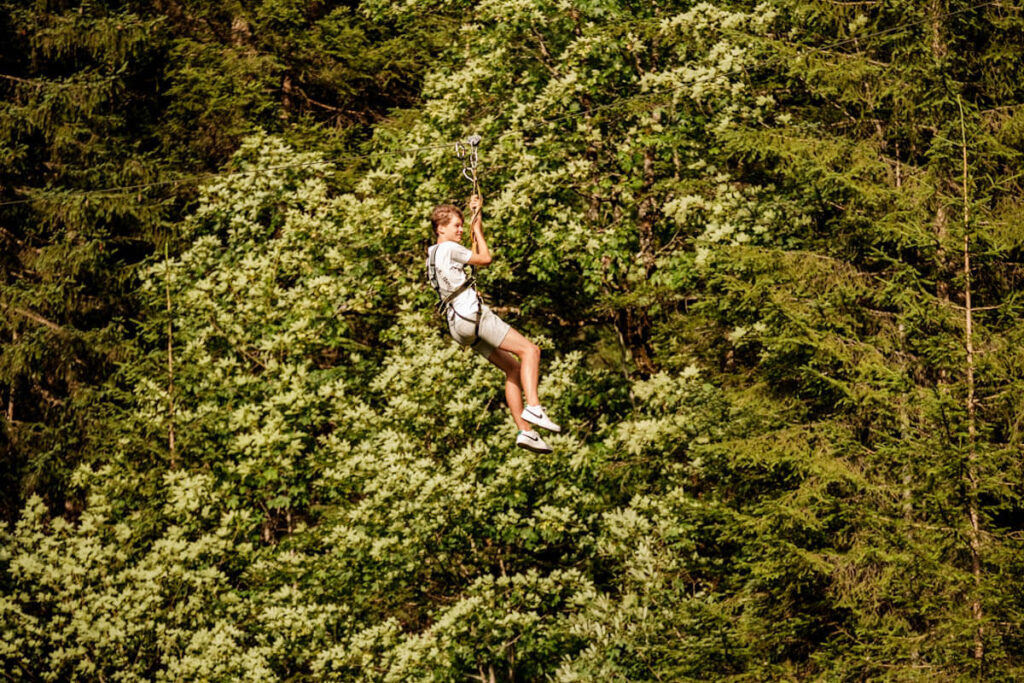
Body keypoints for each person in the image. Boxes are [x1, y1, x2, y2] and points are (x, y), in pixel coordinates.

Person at [426, 194, 560, 453]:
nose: (460, 230)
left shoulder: (432, 255)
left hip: (458, 327)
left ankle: (526, 432)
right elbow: (484, 258)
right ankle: (533, 406)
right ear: (440, 228)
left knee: (513, 370)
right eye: (456, 226)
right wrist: (477, 226)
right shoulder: (447, 247)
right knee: (530, 351)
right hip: (471, 315)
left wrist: (476, 217)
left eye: (462, 225)